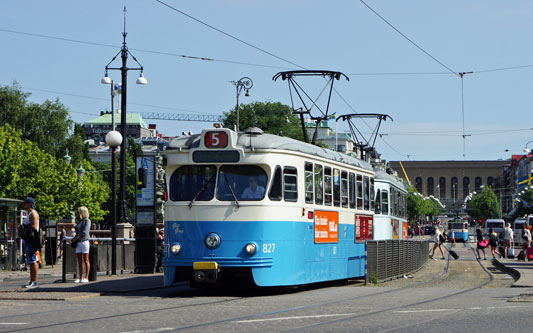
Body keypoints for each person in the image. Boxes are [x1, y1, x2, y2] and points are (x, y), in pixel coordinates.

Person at [20, 197, 40, 289]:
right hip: (29, 240)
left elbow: (34, 227)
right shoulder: (29, 214)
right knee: (30, 260)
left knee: (33, 260)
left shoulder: (33, 214)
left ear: (30, 204)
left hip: (32, 239)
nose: (24, 204)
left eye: (25, 203)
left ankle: (35, 281)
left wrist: (24, 228)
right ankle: (32, 280)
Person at [71, 206, 91, 283]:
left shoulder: (87, 221)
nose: (78, 213)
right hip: (79, 242)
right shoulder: (80, 221)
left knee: (86, 260)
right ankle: (80, 277)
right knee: (79, 260)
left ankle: (86, 277)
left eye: (79, 212)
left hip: (84, 241)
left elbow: (84, 232)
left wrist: (74, 239)